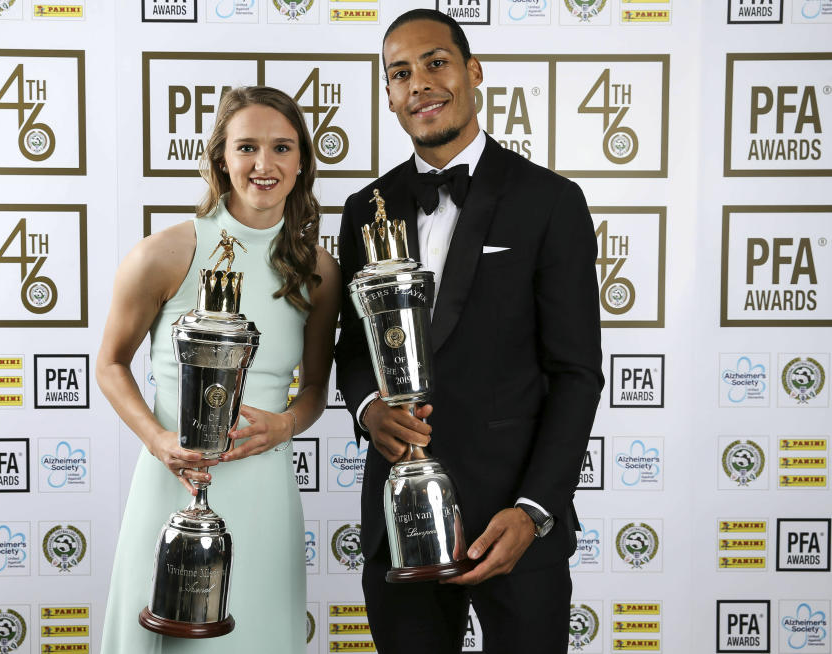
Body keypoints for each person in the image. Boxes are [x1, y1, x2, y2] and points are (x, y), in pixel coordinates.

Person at [334, 9, 604, 653]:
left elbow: (576, 373)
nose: (420, 84)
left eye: (435, 62)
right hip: (399, 524)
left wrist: (535, 509)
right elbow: (351, 350)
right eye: (400, 74)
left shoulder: (550, 201)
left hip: (514, 522)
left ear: (473, 72)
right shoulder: (363, 210)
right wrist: (370, 407)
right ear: (390, 96)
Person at [98, 86, 340, 653]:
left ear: (302, 159)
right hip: (172, 483)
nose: (265, 164)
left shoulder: (318, 270)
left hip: (265, 491)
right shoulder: (165, 253)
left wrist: (285, 425)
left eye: (282, 147)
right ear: (219, 160)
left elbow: (315, 392)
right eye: (247, 147)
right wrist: (158, 440)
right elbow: (110, 364)